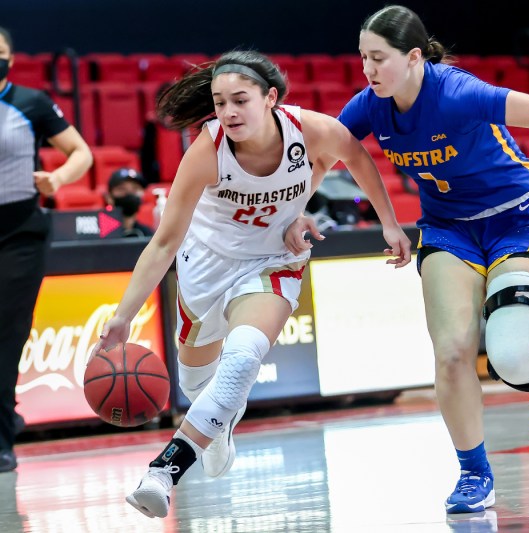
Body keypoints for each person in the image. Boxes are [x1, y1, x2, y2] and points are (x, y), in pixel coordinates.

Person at [283, 5, 529, 514]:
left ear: (412, 58)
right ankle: (475, 475)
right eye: (362, 57)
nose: (367, 69)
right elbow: (322, 155)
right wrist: (297, 211)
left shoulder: (458, 93)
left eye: (378, 58)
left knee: (510, 356)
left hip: (514, 220)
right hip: (448, 231)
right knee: (450, 355)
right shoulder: (370, 105)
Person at [91, 49, 412, 518]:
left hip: (272, 261)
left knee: (242, 358)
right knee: (198, 383)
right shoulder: (208, 149)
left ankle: (163, 471)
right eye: (220, 102)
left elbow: (356, 157)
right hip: (205, 266)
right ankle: (215, 426)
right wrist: (123, 317)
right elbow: (162, 244)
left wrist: (389, 223)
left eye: (240, 100)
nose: (228, 112)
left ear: (271, 98)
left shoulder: (311, 129)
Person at [0, 26, 93, 473]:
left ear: (10, 59)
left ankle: (2, 439)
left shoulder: (32, 102)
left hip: (19, 233)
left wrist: (56, 179)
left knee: (7, 335)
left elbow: (81, 153)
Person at [104, 168, 154, 238]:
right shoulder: (100, 235)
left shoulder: (148, 235)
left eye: (135, 188)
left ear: (143, 195)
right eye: (122, 189)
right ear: (109, 197)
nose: (129, 193)